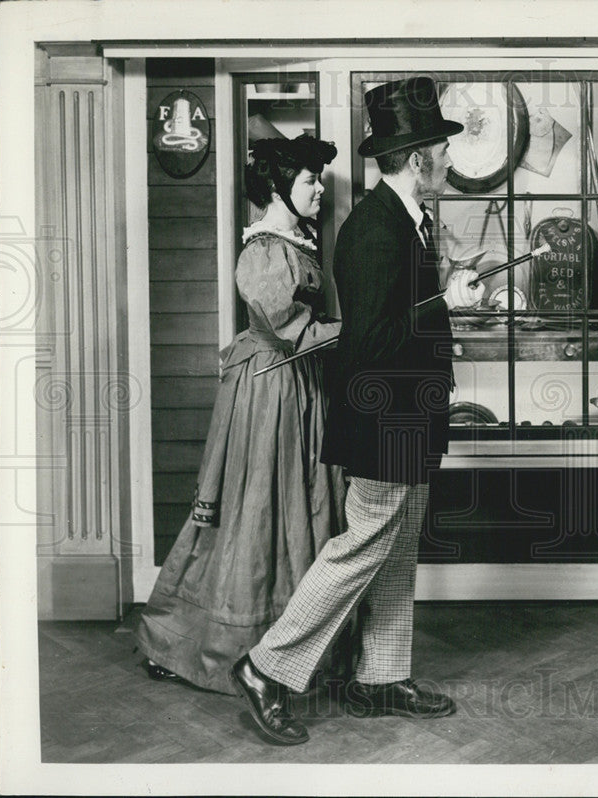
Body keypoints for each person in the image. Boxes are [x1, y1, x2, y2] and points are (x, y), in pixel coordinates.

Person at [228, 76, 485, 745]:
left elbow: (392, 324)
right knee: (362, 548)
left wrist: (445, 305)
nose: (446, 163)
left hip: (408, 417)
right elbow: (366, 345)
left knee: (397, 551)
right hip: (383, 421)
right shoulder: (375, 230)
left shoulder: (401, 220)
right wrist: (448, 305)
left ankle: (381, 677)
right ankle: (267, 669)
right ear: (418, 157)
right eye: (439, 150)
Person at [135, 135, 352, 696]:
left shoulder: (293, 241)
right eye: (309, 180)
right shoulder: (261, 251)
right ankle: (197, 643)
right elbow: (291, 332)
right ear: (279, 186)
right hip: (270, 391)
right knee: (258, 505)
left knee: (297, 501)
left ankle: (292, 649)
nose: (319, 189)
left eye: (317, 180)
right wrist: (361, 329)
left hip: (298, 385)